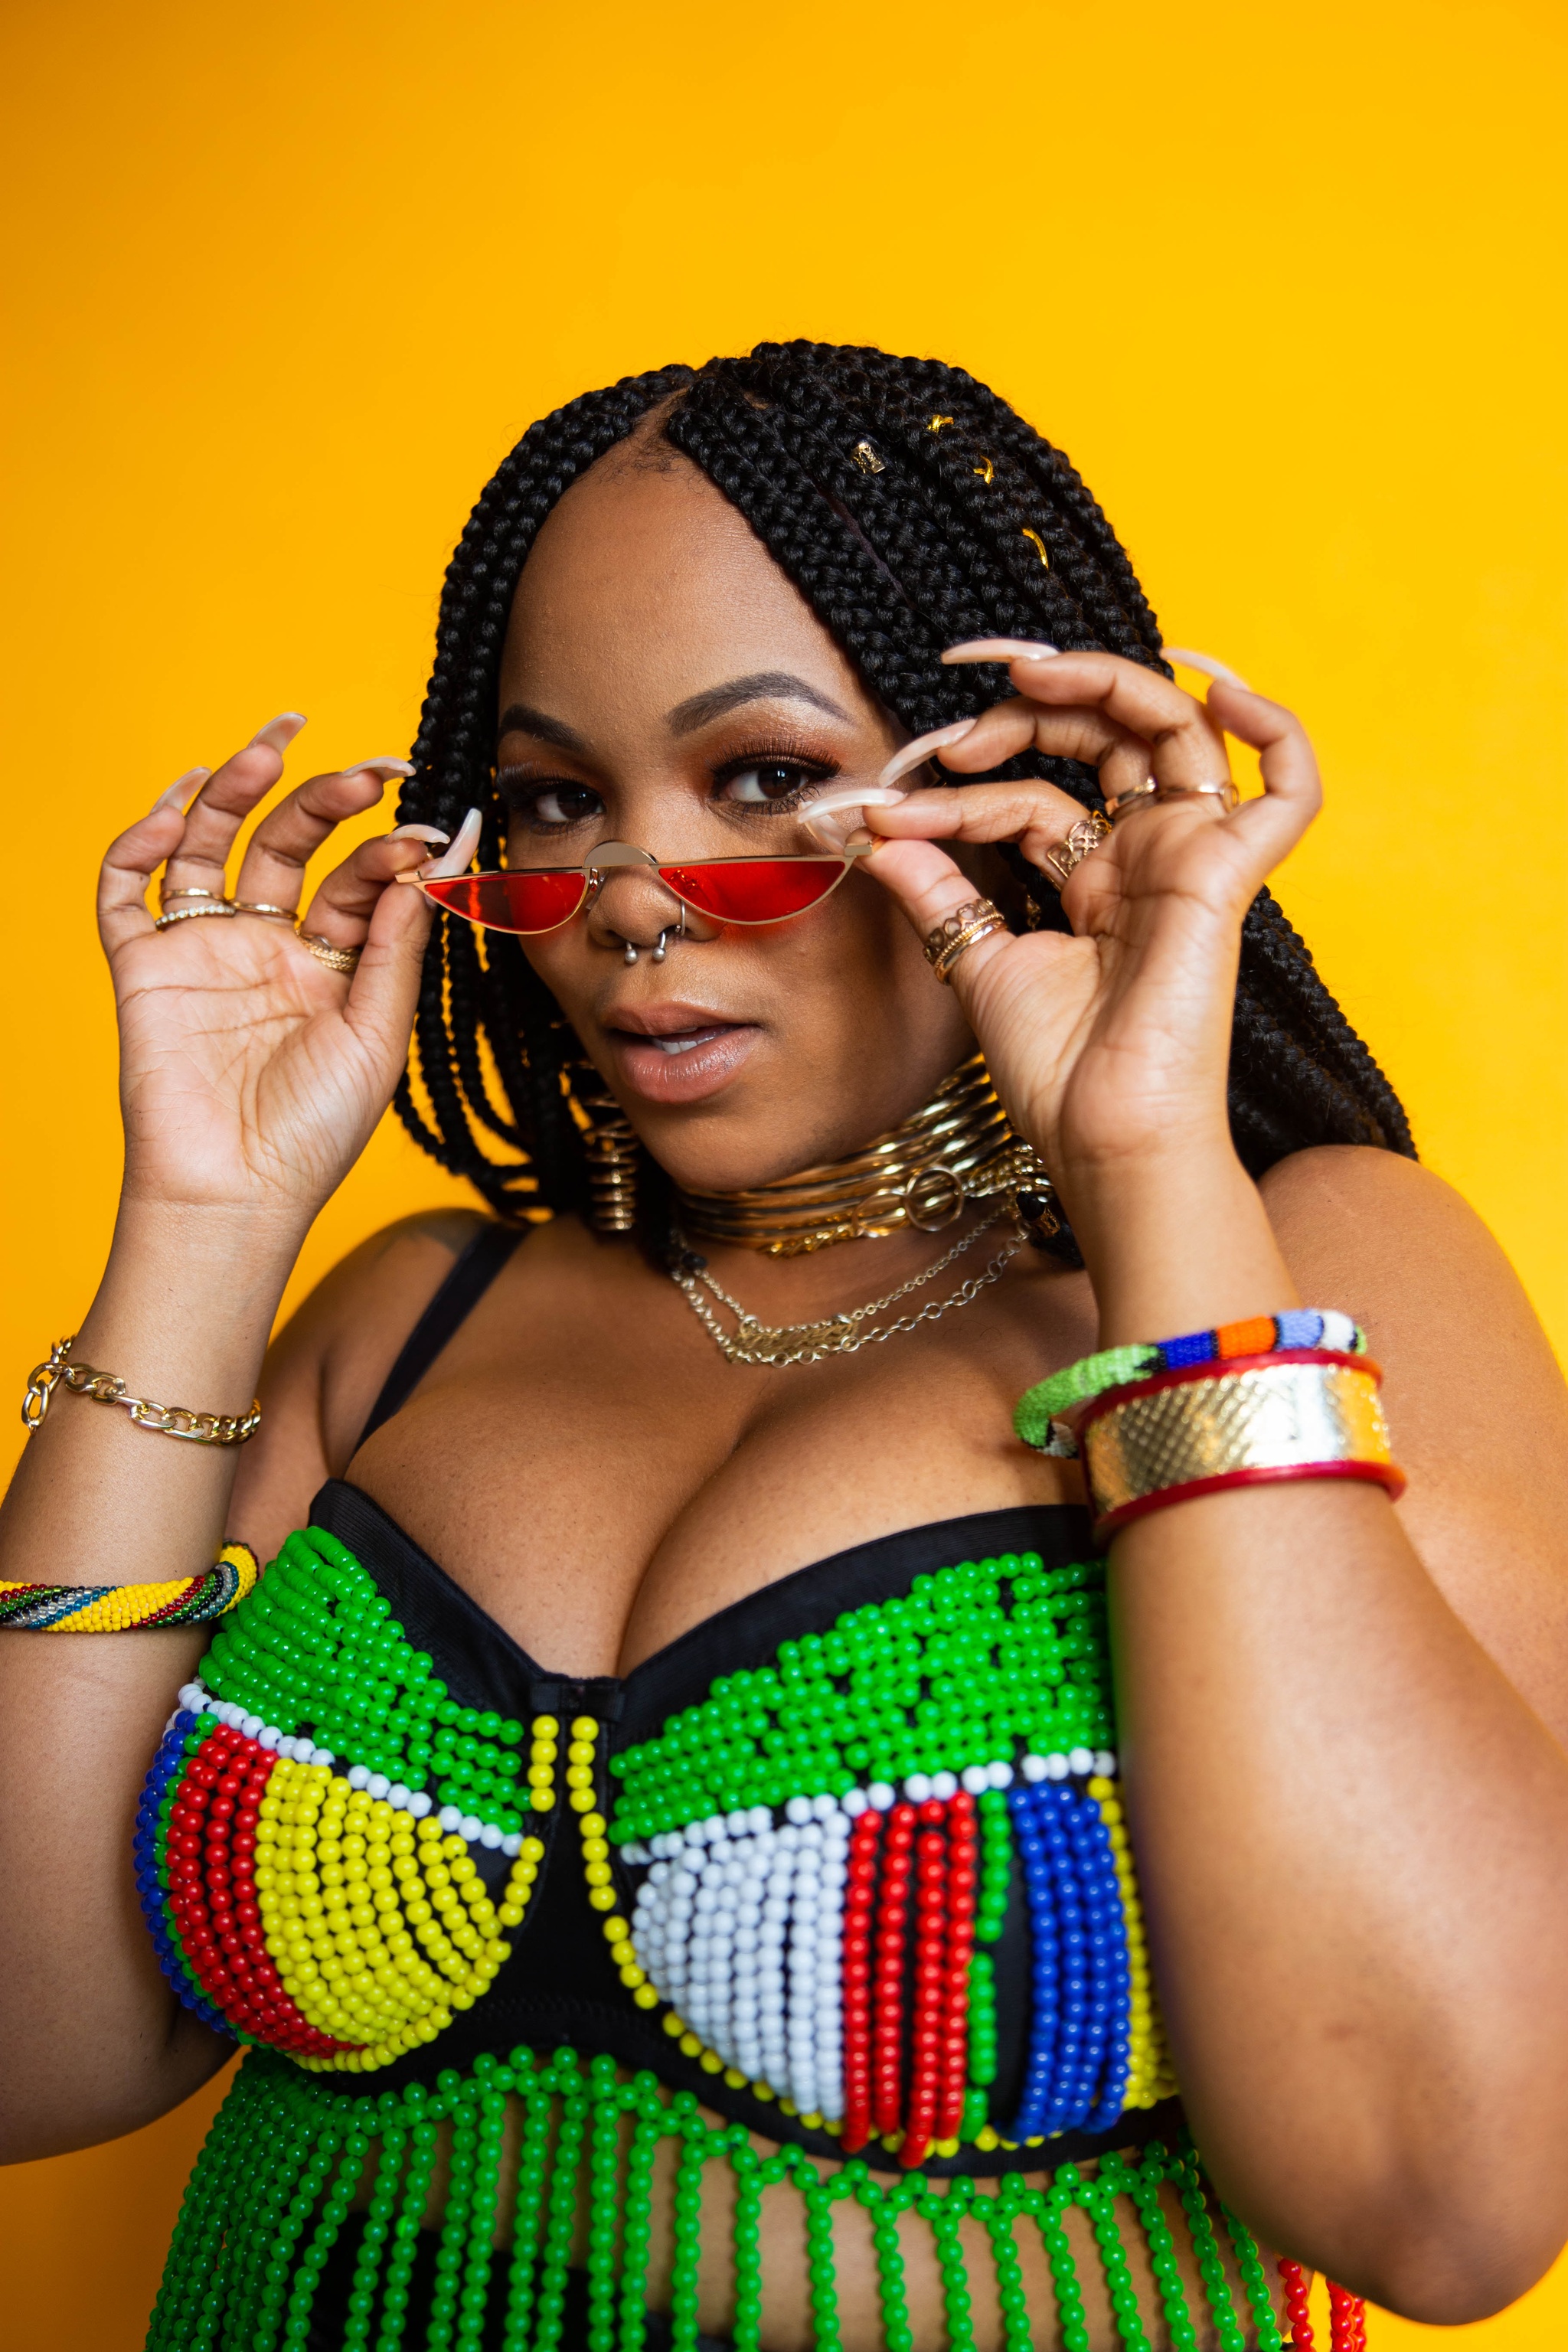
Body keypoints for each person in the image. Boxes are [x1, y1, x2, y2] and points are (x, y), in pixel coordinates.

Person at [4, 342, 1568, 2352]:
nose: (636, 900)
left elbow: (1444, 2200)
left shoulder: (1310, 1260)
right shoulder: (410, 1320)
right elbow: (36, 2047)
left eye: (758, 782)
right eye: (559, 800)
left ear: (1008, 789)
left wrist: (1150, 1168)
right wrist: (200, 1227)